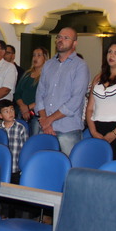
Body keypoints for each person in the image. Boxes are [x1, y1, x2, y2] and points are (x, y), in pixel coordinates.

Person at [36, 28, 90, 156]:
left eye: (66, 38)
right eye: (59, 37)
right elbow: (40, 94)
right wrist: (45, 120)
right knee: (44, 166)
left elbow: (75, 100)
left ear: (75, 43)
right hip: (45, 127)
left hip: (68, 129)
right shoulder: (48, 65)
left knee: (69, 169)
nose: (61, 40)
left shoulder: (80, 66)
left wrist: (49, 120)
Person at [14, 47, 48, 137]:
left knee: (34, 138)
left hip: (36, 114)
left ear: (45, 58)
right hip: (21, 112)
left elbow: (46, 97)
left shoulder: (47, 76)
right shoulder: (27, 74)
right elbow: (17, 93)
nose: (35, 58)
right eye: (34, 55)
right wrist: (22, 106)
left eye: (39, 55)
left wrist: (29, 107)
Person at [0, 99, 27, 180]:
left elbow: (25, 149)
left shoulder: (20, 128)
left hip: (16, 168)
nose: (10, 113)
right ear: (0, 115)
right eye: (6, 111)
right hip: (3, 168)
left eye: (12, 109)